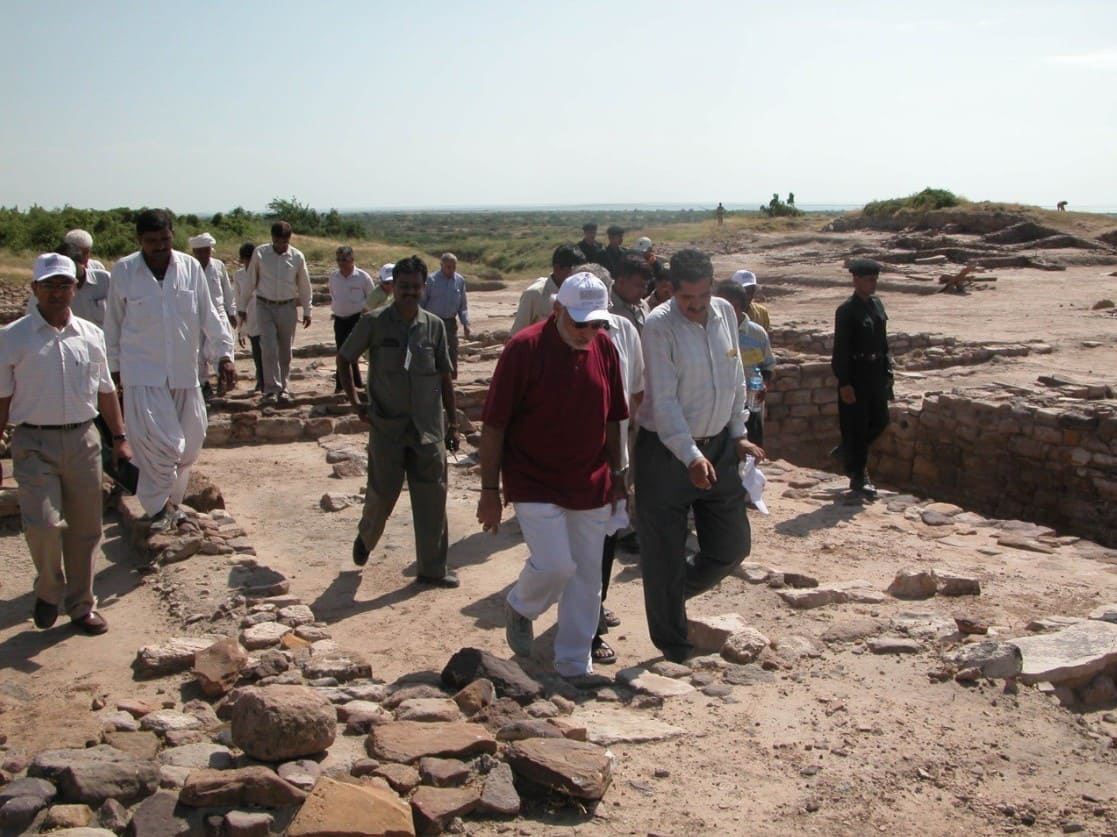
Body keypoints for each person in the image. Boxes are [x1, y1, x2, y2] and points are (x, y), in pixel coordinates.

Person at [477, 272, 627, 678]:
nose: (588, 332)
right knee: (555, 565)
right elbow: (494, 425)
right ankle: (521, 606)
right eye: (580, 323)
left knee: (587, 575)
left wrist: (620, 472)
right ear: (557, 309)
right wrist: (489, 490)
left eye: (597, 323)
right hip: (533, 477)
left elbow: (614, 417)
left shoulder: (605, 348)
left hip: (589, 478)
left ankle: (575, 663)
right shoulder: (523, 349)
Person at [636, 248, 765, 664]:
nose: (694, 306)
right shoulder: (659, 327)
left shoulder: (725, 313)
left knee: (731, 547)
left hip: (719, 447)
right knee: (664, 550)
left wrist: (738, 433)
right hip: (665, 452)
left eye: (702, 297)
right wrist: (689, 456)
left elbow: (734, 378)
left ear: (712, 287)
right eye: (686, 299)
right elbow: (665, 403)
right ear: (672, 290)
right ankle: (674, 648)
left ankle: (668, 593)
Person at [0, 253, 132, 635]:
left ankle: (80, 605)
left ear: (76, 287)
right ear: (35, 289)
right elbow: (3, 398)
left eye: (65, 284)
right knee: (42, 524)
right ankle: (48, 589)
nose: (58, 292)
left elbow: (106, 391)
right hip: (33, 442)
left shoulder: (91, 335)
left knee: (86, 528)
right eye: (49, 285)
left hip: (82, 439)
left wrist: (120, 438)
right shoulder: (13, 337)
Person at [105, 209, 236, 531]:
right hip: (143, 374)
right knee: (163, 445)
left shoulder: (190, 268)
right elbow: (113, 325)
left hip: (185, 372)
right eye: (151, 242)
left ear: (172, 235)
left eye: (164, 239)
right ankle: (157, 507)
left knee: (190, 445)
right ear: (140, 241)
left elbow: (210, 315)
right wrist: (114, 369)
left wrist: (224, 355)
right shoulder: (124, 271)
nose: (160, 247)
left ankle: (171, 504)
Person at [340, 256, 460, 587]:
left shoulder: (434, 326)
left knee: (432, 501)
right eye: (403, 287)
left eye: (415, 287)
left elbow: (444, 377)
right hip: (388, 429)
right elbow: (345, 357)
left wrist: (453, 423)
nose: (409, 292)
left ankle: (432, 570)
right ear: (394, 288)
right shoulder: (374, 322)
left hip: (428, 431)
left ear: (424, 288)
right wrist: (356, 403)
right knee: (382, 494)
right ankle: (366, 538)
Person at [831, 258, 893, 497]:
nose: (873, 283)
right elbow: (841, 349)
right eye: (868, 279)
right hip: (856, 374)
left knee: (880, 420)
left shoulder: (876, 305)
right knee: (856, 426)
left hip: (876, 372)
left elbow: (883, 340)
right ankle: (858, 475)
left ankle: (847, 450)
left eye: (875, 279)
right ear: (855, 280)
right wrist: (844, 382)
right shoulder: (847, 310)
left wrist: (887, 370)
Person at [246, 221, 312, 406]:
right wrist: (242, 308)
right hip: (264, 305)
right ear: (272, 238)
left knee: (285, 350)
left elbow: (304, 285)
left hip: (287, 306)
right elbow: (251, 280)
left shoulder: (297, 257)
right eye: (277, 241)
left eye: (284, 242)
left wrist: (307, 310)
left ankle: (283, 387)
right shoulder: (260, 253)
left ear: (289, 239)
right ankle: (270, 388)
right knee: (268, 347)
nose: (280, 246)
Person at [714, 279, 776, 446]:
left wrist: (764, 385)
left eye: (730, 305)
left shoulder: (757, 334)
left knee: (752, 451)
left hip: (750, 403)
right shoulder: (712, 332)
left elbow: (768, 366)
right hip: (720, 405)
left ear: (741, 305)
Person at [190, 232, 237, 399]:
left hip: (218, 313)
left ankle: (223, 380)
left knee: (222, 349)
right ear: (195, 252)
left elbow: (227, 291)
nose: (204, 254)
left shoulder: (218, 266)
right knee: (197, 353)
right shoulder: (188, 268)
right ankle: (203, 384)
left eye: (207, 250)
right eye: (200, 251)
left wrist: (232, 312)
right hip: (195, 316)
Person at [25, 242, 111, 327]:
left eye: (70, 267)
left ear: (83, 262)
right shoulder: (44, 290)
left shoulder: (105, 280)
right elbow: (30, 319)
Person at [509, 244, 585, 335]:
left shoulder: (579, 293)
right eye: (574, 272)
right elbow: (517, 334)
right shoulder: (534, 294)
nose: (579, 277)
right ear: (557, 269)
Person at [328, 246, 375, 392]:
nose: (341, 263)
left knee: (353, 351)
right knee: (342, 351)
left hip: (357, 319)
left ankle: (356, 383)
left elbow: (371, 297)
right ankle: (343, 384)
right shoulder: (334, 277)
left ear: (352, 260)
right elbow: (333, 294)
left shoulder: (362, 277)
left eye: (344, 260)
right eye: (339, 260)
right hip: (340, 319)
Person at [421, 253, 471, 379]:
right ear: (441, 265)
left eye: (454, 267)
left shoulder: (459, 280)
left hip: (450, 322)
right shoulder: (430, 280)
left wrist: (465, 323)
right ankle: (432, 376)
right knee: (431, 348)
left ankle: (452, 379)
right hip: (432, 321)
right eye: (448, 267)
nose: (451, 270)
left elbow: (462, 305)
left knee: (452, 349)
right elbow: (422, 302)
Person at [233, 242, 264, 392]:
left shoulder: (263, 272)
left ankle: (268, 380)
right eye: (246, 259)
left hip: (264, 314)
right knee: (257, 350)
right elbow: (238, 299)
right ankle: (261, 380)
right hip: (249, 316)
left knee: (268, 350)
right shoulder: (239, 275)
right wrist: (240, 327)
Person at [610, 254, 652, 333]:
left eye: (645, 286)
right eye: (639, 285)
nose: (644, 291)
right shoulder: (605, 309)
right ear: (620, 282)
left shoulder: (643, 306)